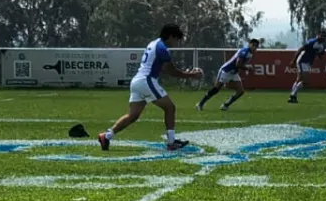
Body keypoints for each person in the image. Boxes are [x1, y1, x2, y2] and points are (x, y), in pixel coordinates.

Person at [99, 24, 202, 152]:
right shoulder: (162, 48)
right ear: (170, 36)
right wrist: (191, 75)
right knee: (170, 107)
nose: (176, 43)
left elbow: (163, 68)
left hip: (137, 81)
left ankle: (107, 136)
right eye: (176, 39)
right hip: (146, 81)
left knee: (132, 115)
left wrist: (185, 73)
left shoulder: (154, 43)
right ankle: (171, 143)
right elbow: (170, 71)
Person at [197, 38, 259, 112]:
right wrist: (247, 68)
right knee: (216, 89)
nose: (254, 47)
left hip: (233, 72)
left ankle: (225, 105)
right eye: (253, 45)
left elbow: (240, 64)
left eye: (256, 46)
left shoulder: (250, 53)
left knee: (240, 91)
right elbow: (238, 64)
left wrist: (241, 69)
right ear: (249, 44)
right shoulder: (244, 51)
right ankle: (200, 104)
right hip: (226, 71)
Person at [289, 32, 326, 104]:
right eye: (321, 36)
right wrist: (293, 60)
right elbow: (300, 49)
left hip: (308, 63)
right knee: (304, 79)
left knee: (300, 79)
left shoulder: (321, 46)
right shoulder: (312, 42)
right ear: (318, 36)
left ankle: (292, 96)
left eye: (324, 37)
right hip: (302, 60)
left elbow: (321, 55)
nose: (322, 38)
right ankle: (293, 96)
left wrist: (319, 55)